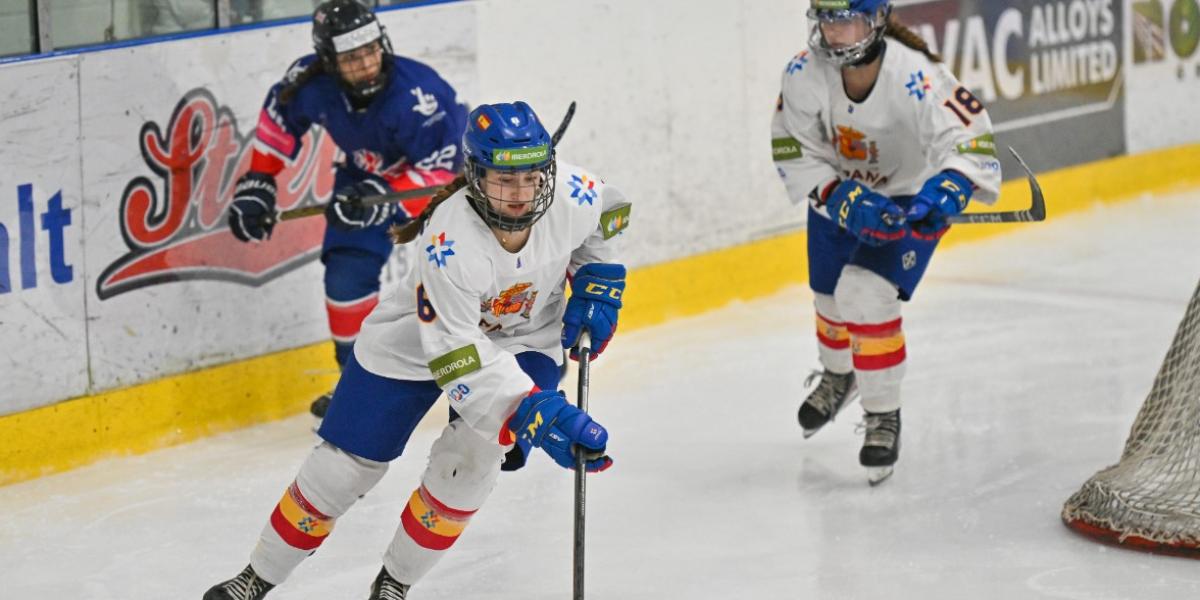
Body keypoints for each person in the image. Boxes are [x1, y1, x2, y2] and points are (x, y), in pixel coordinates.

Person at [204, 100, 630, 599]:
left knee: (470, 462)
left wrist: (599, 276)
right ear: (475, 177)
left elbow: (610, 212)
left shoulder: (573, 195)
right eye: (502, 180)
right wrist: (532, 408)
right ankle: (259, 574)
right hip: (417, 342)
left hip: (522, 338)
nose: (520, 195)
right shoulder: (450, 242)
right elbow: (456, 353)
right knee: (342, 469)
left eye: (531, 177)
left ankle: (394, 583)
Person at [771, 0, 1000, 484]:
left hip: (905, 195)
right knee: (829, 295)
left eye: (847, 19)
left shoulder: (914, 75)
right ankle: (840, 373)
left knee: (866, 294)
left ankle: (882, 412)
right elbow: (792, 145)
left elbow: (969, 139)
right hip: (838, 197)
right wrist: (837, 195)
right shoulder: (803, 73)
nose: (835, 32)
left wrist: (951, 186)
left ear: (877, 19)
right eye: (827, 19)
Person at [227, 0, 467, 418]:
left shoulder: (420, 96)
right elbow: (280, 117)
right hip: (365, 180)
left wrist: (382, 196)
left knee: (466, 277)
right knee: (346, 276)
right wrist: (260, 181)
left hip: (446, 188)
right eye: (353, 58)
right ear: (329, 61)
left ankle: (493, 375)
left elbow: (443, 172)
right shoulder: (311, 83)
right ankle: (358, 385)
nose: (368, 64)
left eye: (372, 50)